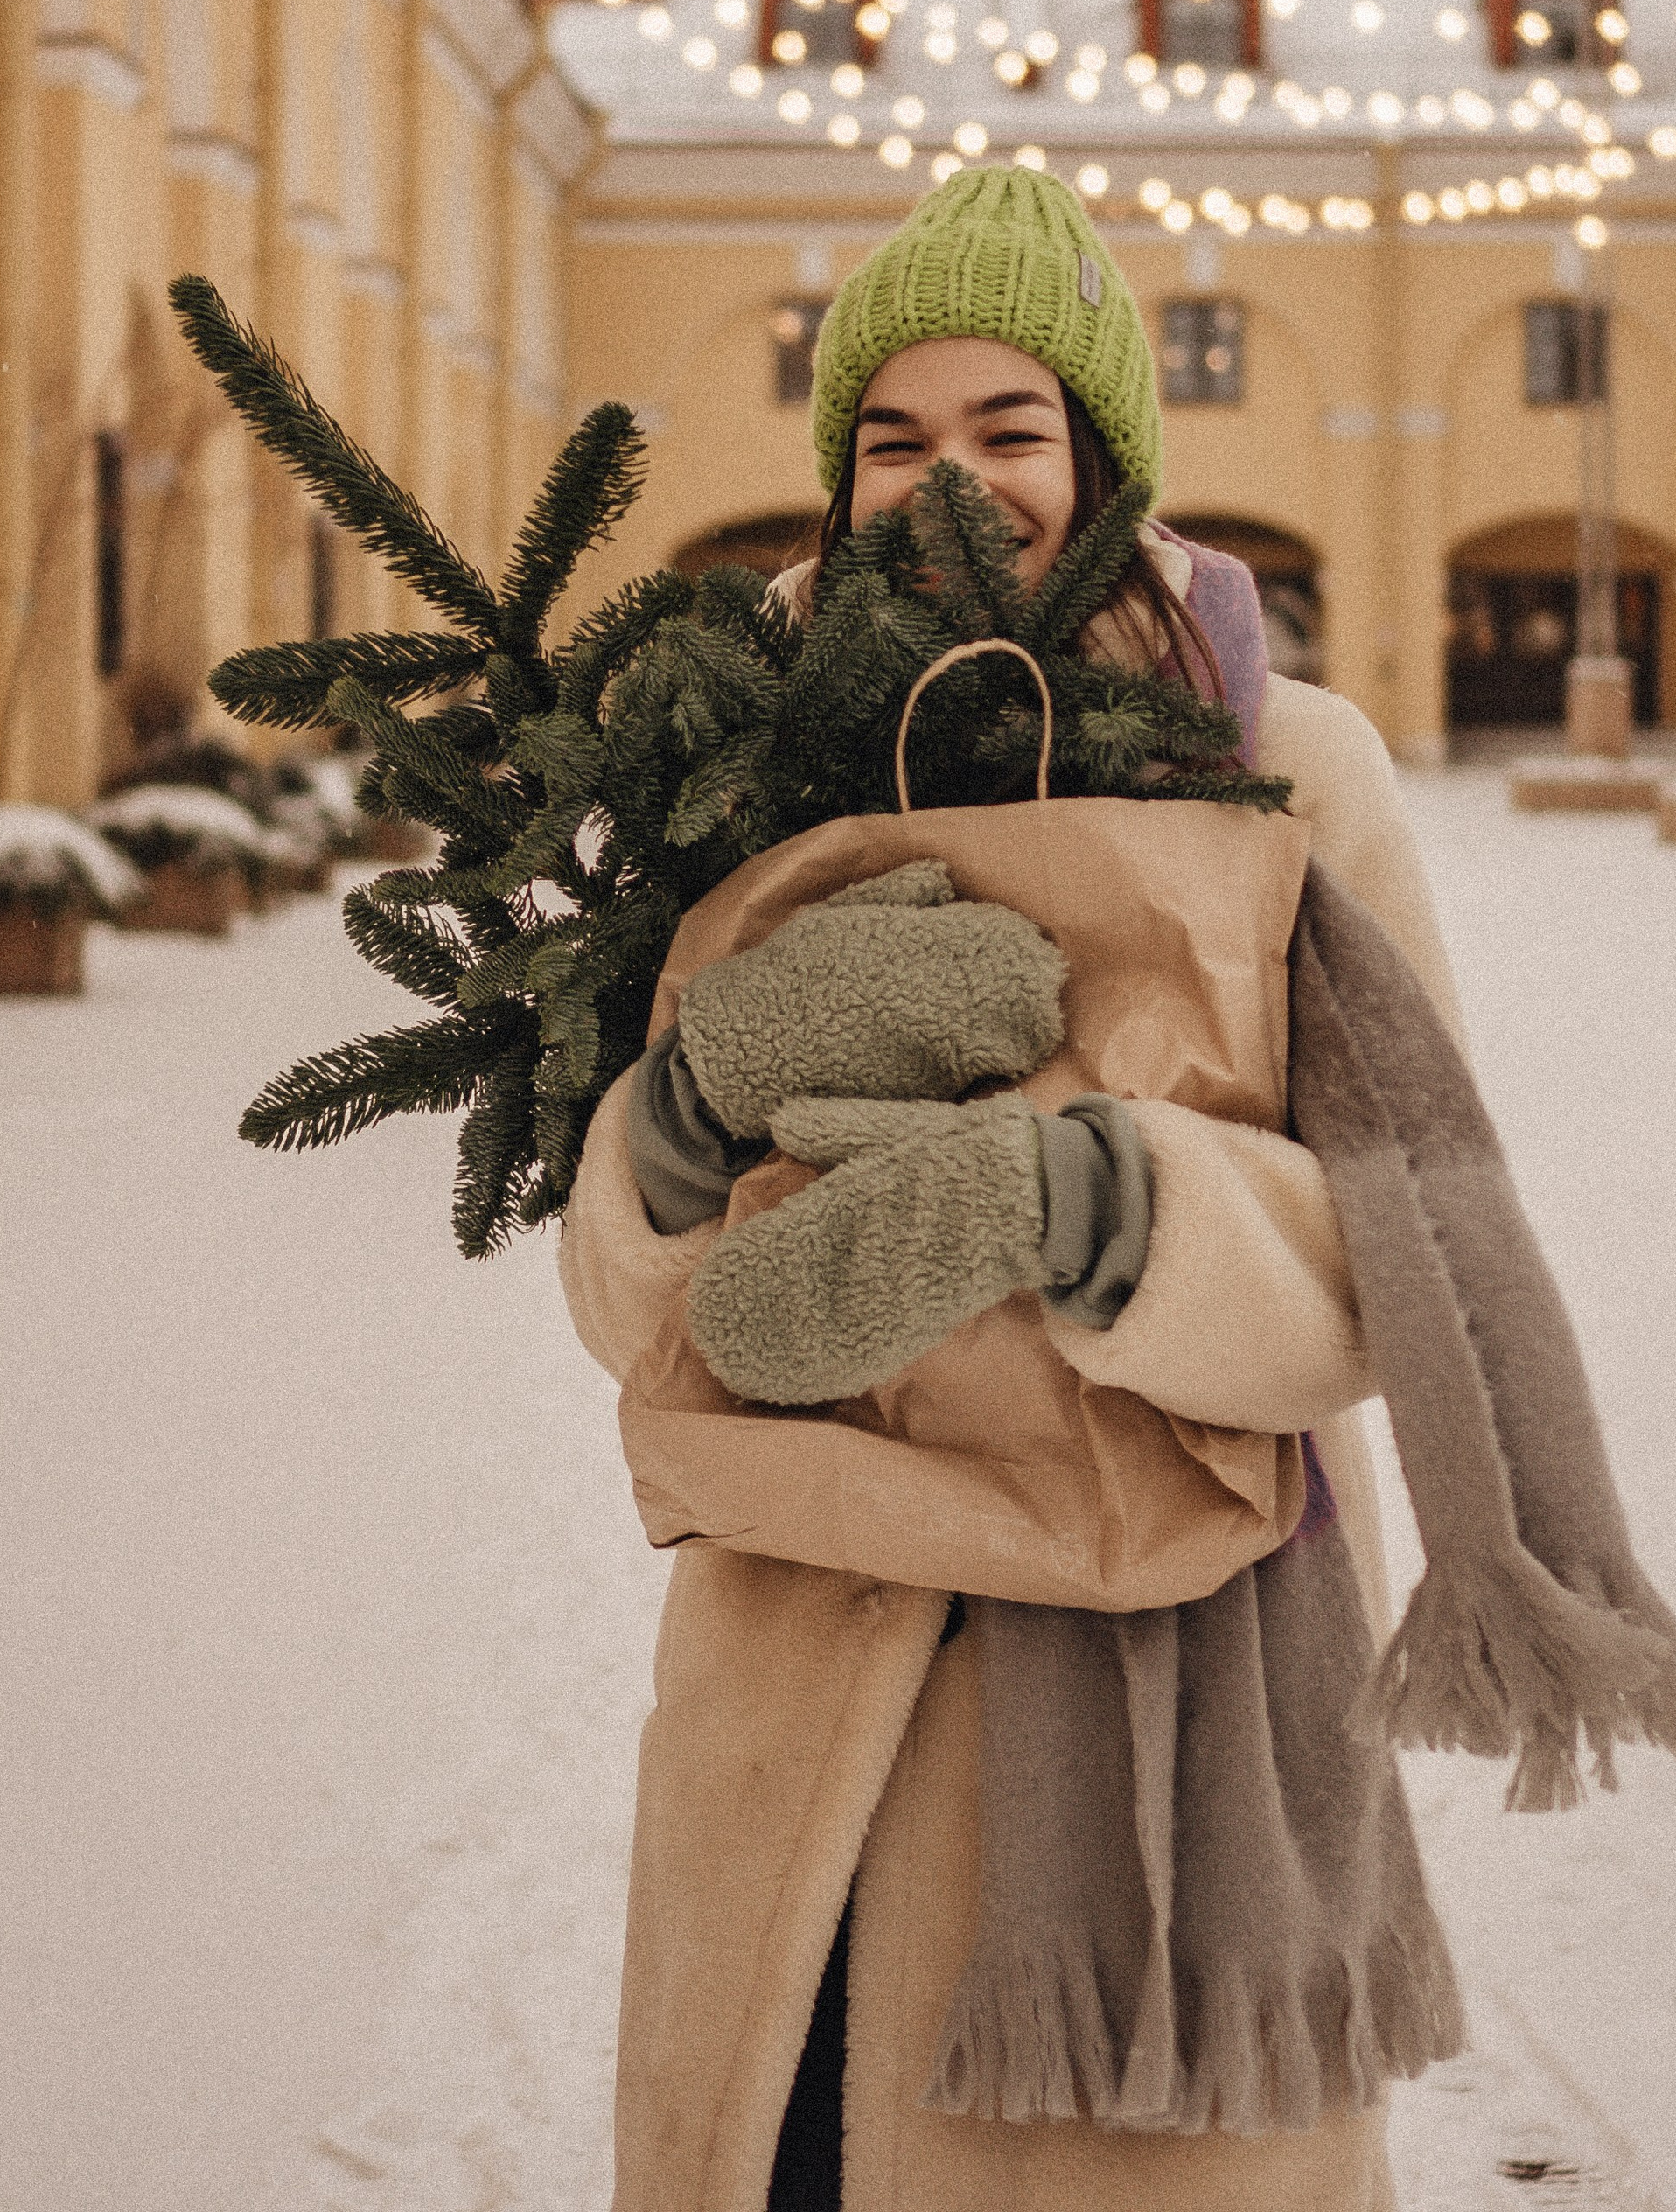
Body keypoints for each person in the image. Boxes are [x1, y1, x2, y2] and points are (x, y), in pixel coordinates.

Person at [559, 165, 1468, 2211]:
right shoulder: (736, 768)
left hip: (1170, 1702)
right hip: (808, 1685)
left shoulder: (1291, 767)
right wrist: (687, 1106)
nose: (949, 482)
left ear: (1103, 458)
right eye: (892, 438)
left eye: (1008, 427)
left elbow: (1395, 1255)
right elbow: (631, 1316)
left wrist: (1097, 1200)